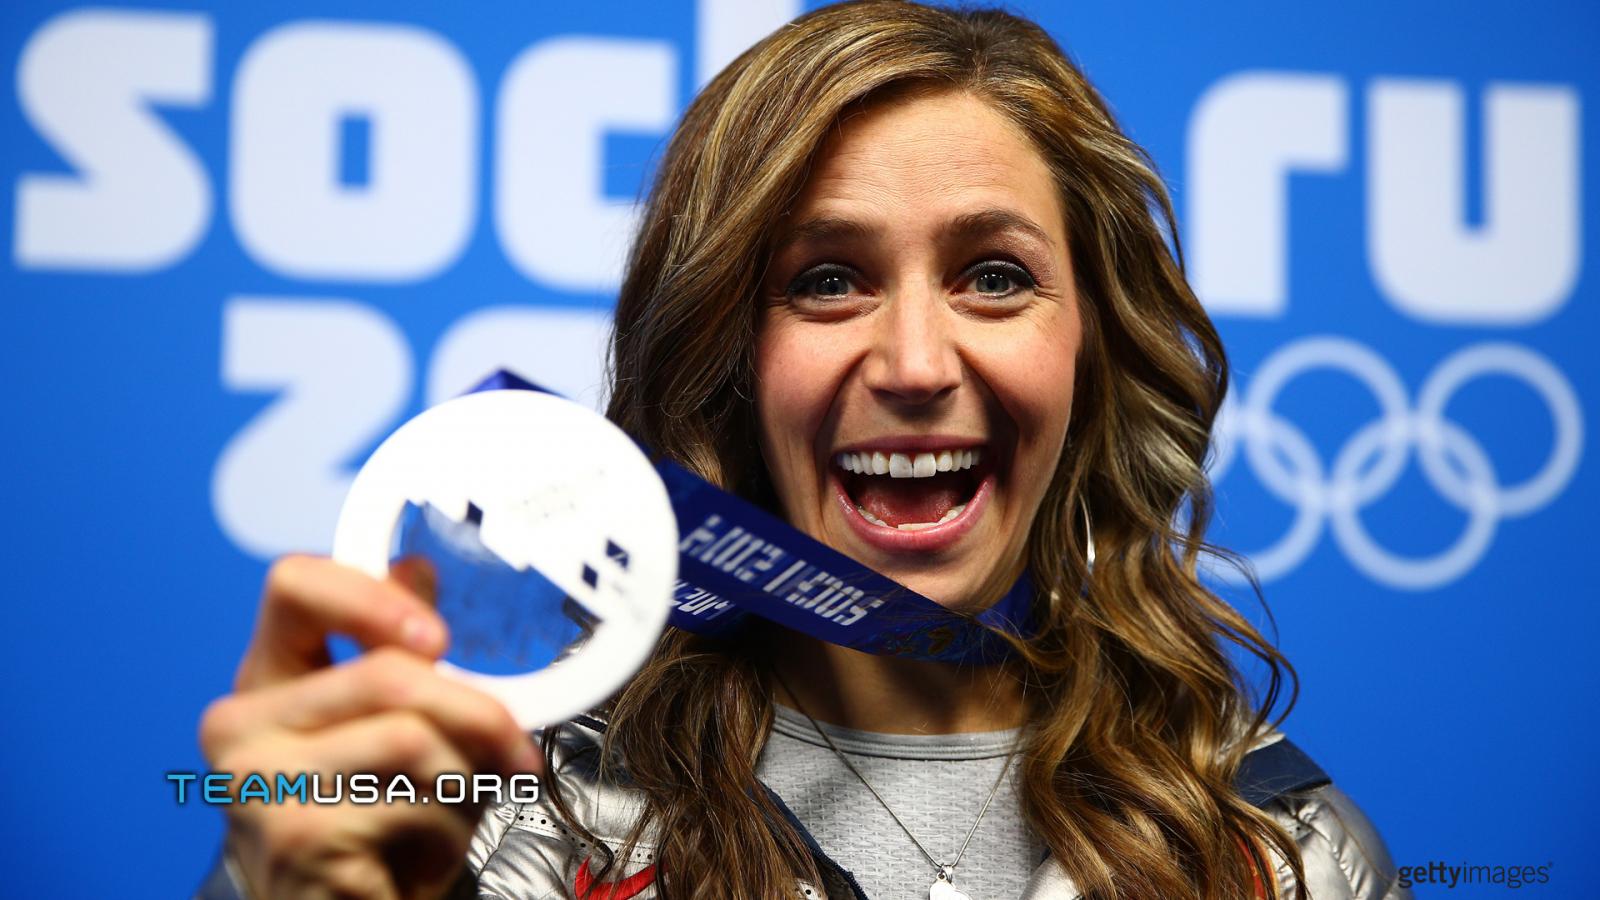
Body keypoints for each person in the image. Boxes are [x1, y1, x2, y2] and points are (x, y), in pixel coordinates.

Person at [197, 2, 1407, 898]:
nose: (916, 364)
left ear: (1092, 346)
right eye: (826, 281)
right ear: (725, 353)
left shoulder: (1278, 851)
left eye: (995, 277)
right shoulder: (517, 815)